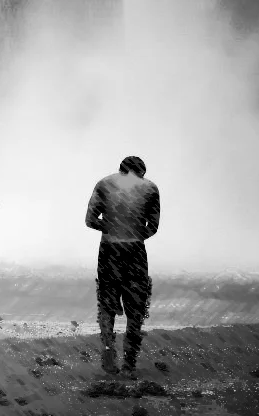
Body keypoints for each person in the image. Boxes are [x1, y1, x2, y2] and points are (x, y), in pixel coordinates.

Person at [85, 155, 161, 378]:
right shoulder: (151, 188)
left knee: (107, 303)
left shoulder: (104, 183)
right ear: (141, 172)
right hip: (135, 251)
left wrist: (111, 228)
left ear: (120, 169)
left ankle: (108, 353)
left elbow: (90, 220)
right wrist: (134, 235)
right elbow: (153, 226)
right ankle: (129, 363)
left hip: (109, 250)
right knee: (136, 308)